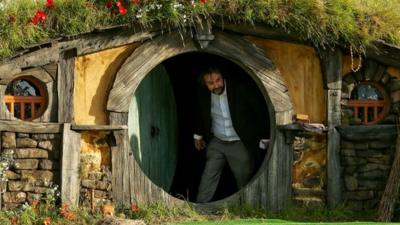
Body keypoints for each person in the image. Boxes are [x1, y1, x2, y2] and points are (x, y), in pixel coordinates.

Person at [194, 67, 270, 203]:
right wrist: (198, 135)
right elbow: (200, 114)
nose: (216, 85)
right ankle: (199, 210)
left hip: (239, 141)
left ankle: (245, 208)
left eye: (218, 80)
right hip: (217, 141)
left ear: (223, 77)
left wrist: (265, 136)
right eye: (210, 83)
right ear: (204, 84)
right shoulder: (202, 93)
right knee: (208, 176)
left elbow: (260, 111)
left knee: (244, 179)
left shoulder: (240, 89)